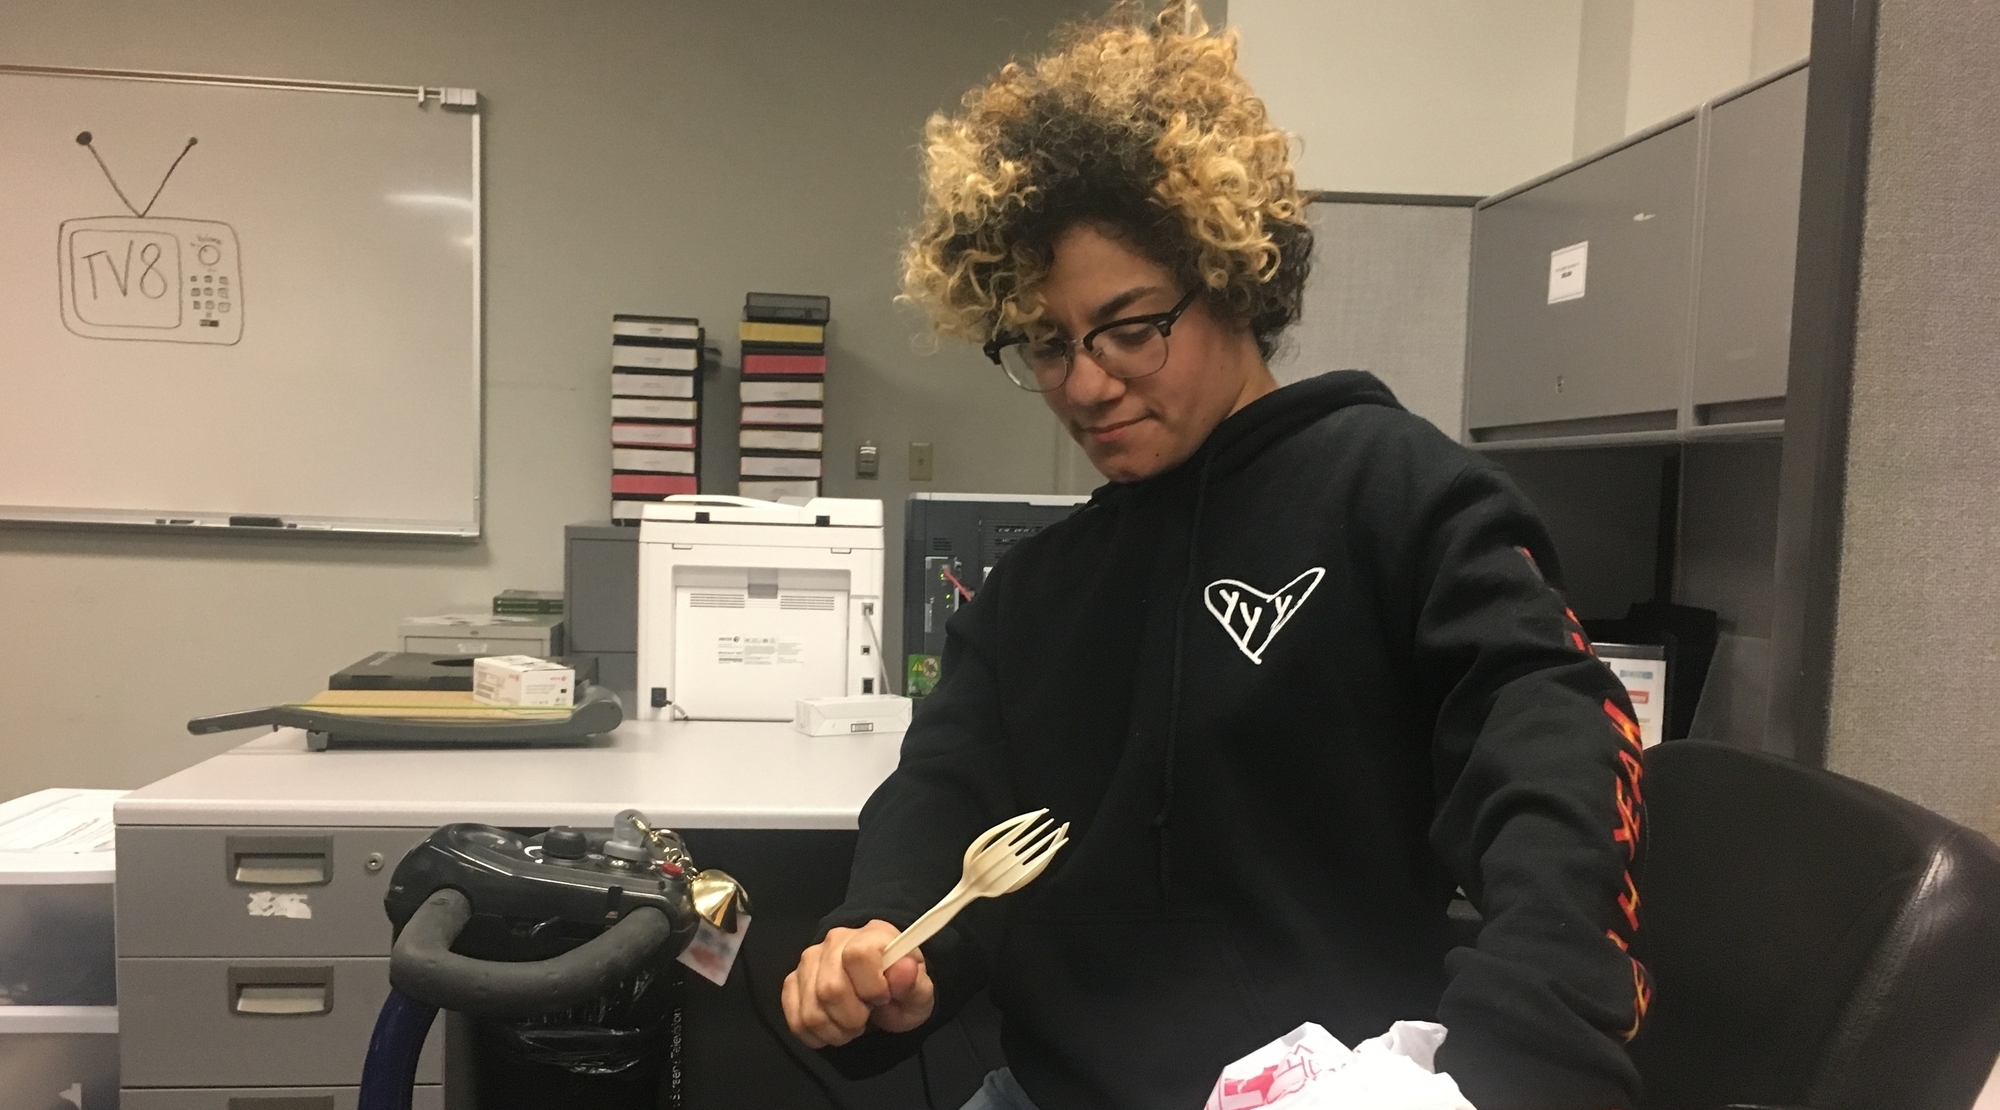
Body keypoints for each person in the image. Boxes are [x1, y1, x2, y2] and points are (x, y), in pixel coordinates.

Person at [780, 5, 1651, 1109]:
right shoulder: (1034, 591)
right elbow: (944, 791)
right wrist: (881, 939)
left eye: (1129, 327)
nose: (1085, 384)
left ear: (1232, 279)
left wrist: (1531, 1040)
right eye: (1046, 343)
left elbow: (1547, 744)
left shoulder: (1396, 496)